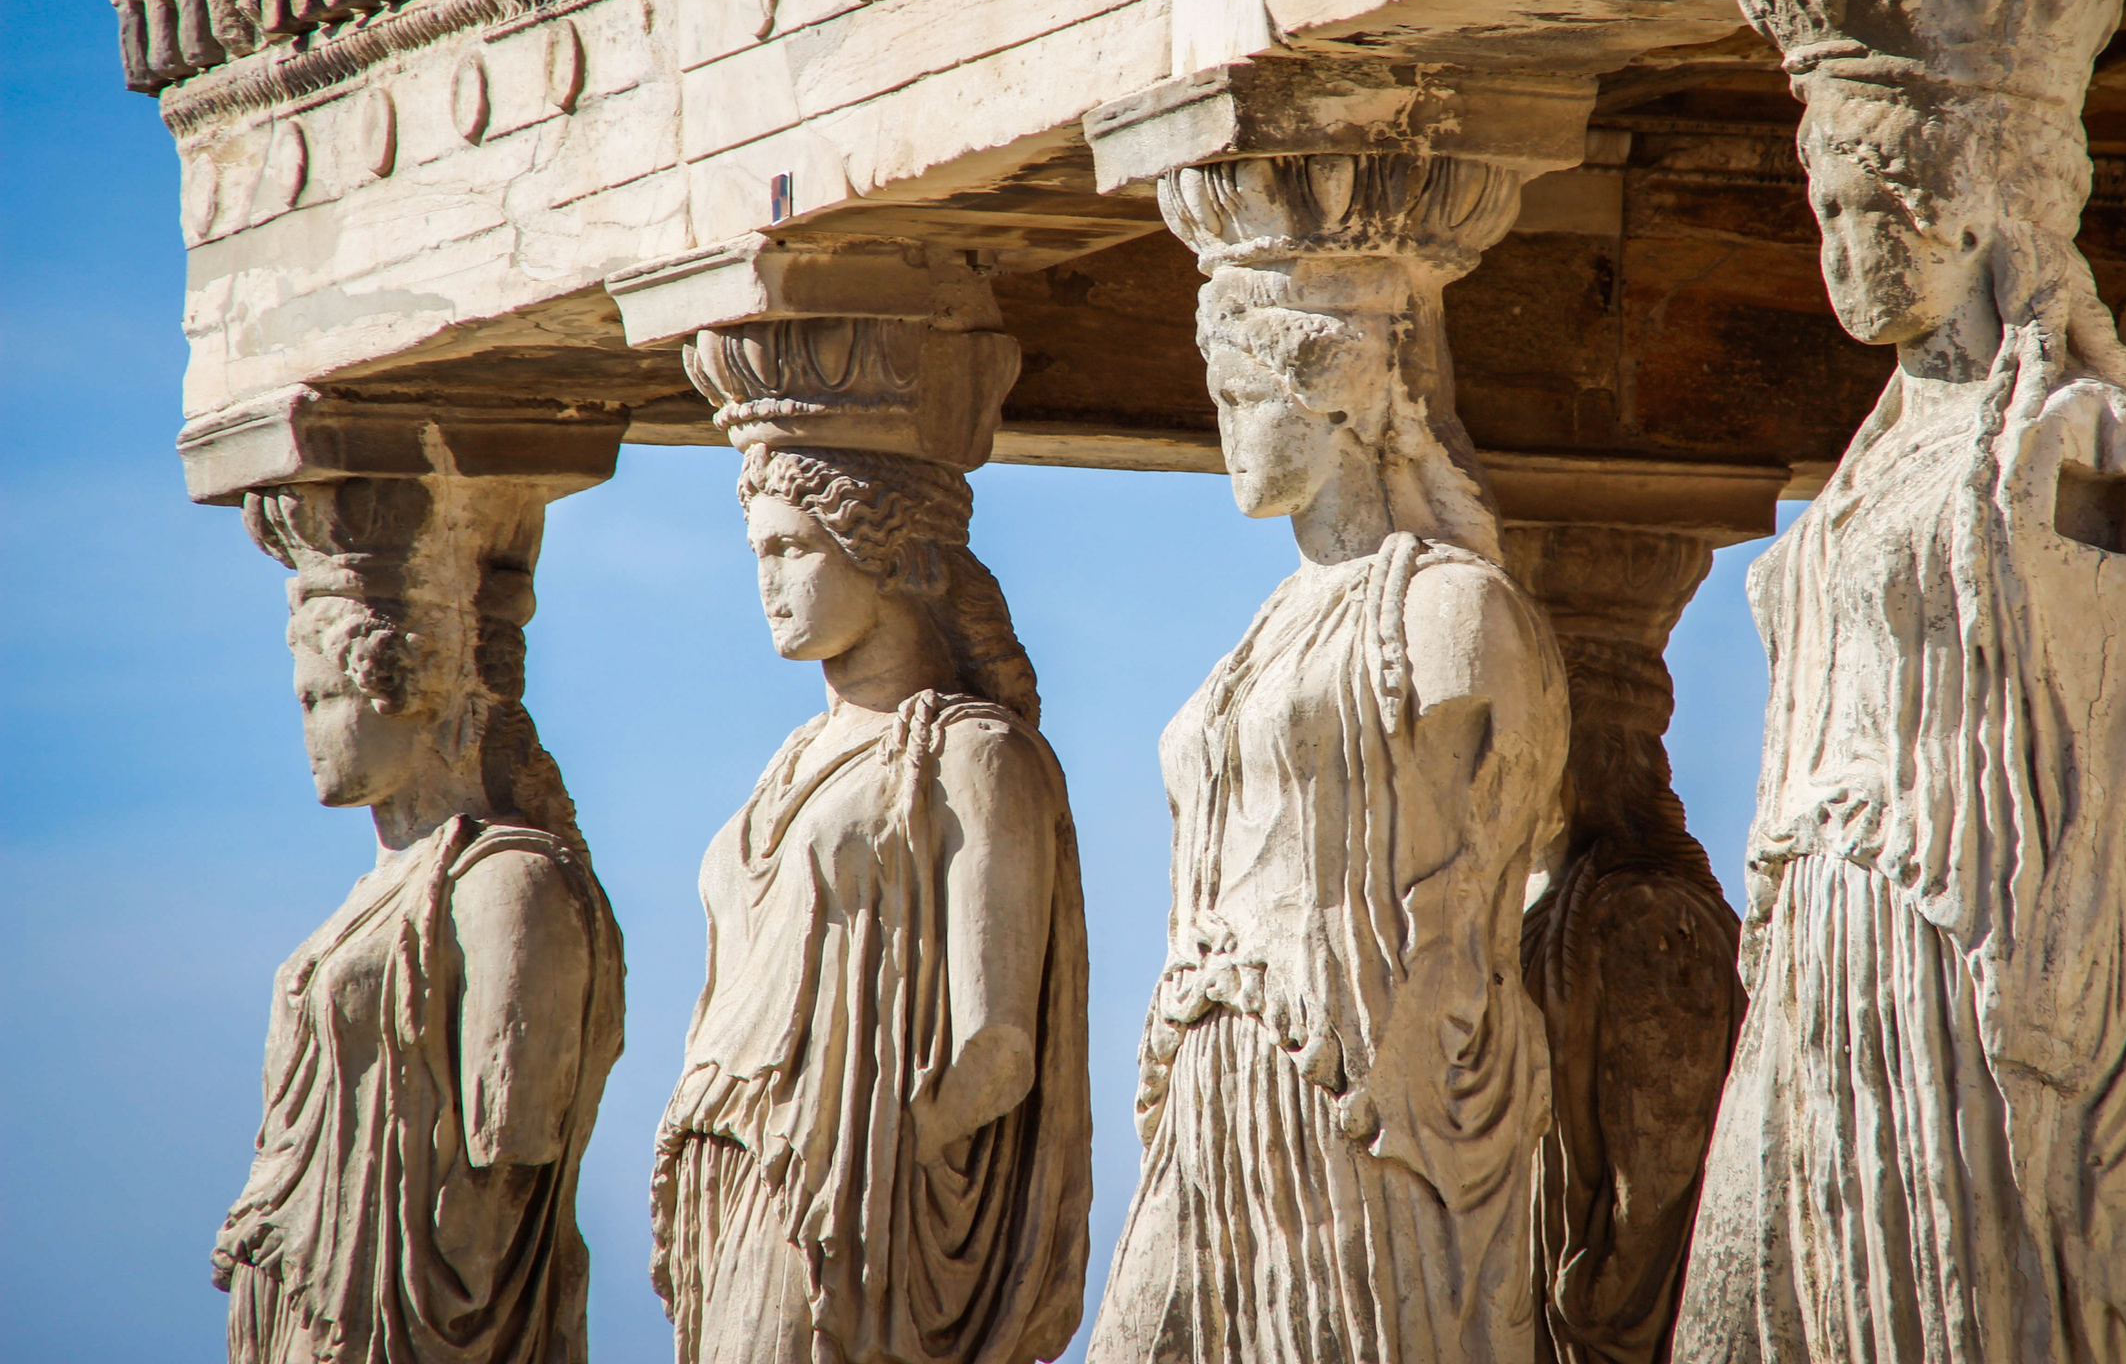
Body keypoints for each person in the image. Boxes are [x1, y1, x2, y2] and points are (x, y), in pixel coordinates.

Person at [1676, 0, 2126, 1364]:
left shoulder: (2084, 444)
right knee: (1761, 1288)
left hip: (1968, 925)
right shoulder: (1871, 463)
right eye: (1823, 212)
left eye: (1871, 212)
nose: (1840, 254)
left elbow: (2125, 723)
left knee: (1949, 1288)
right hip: (1824, 925)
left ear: (1976, 218)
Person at [1090, 160, 1571, 1364]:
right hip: (1216, 1071)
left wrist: (1414, 1042)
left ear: (1334, 402)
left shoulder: (1452, 613)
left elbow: (1486, 865)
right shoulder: (1264, 630)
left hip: (1359, 1078)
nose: (1225, 430)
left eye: (1245, 397)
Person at [653, 444, 1089, 1364]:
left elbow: (997, 1044)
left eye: (793, 551)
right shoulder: (787, 761)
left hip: (845, 1188)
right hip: (732, 1169)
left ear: (899, 561)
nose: (767, 583)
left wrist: (864, 1172)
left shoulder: (973, 755)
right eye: (758, 555)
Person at [215, 477, 624, 1364]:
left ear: (408, 687)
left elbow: (510, 1151)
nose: (310, 730)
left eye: (321, 699)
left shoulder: (505, 882)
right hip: (314, 1283)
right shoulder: (377, 890)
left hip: (410, 1308)